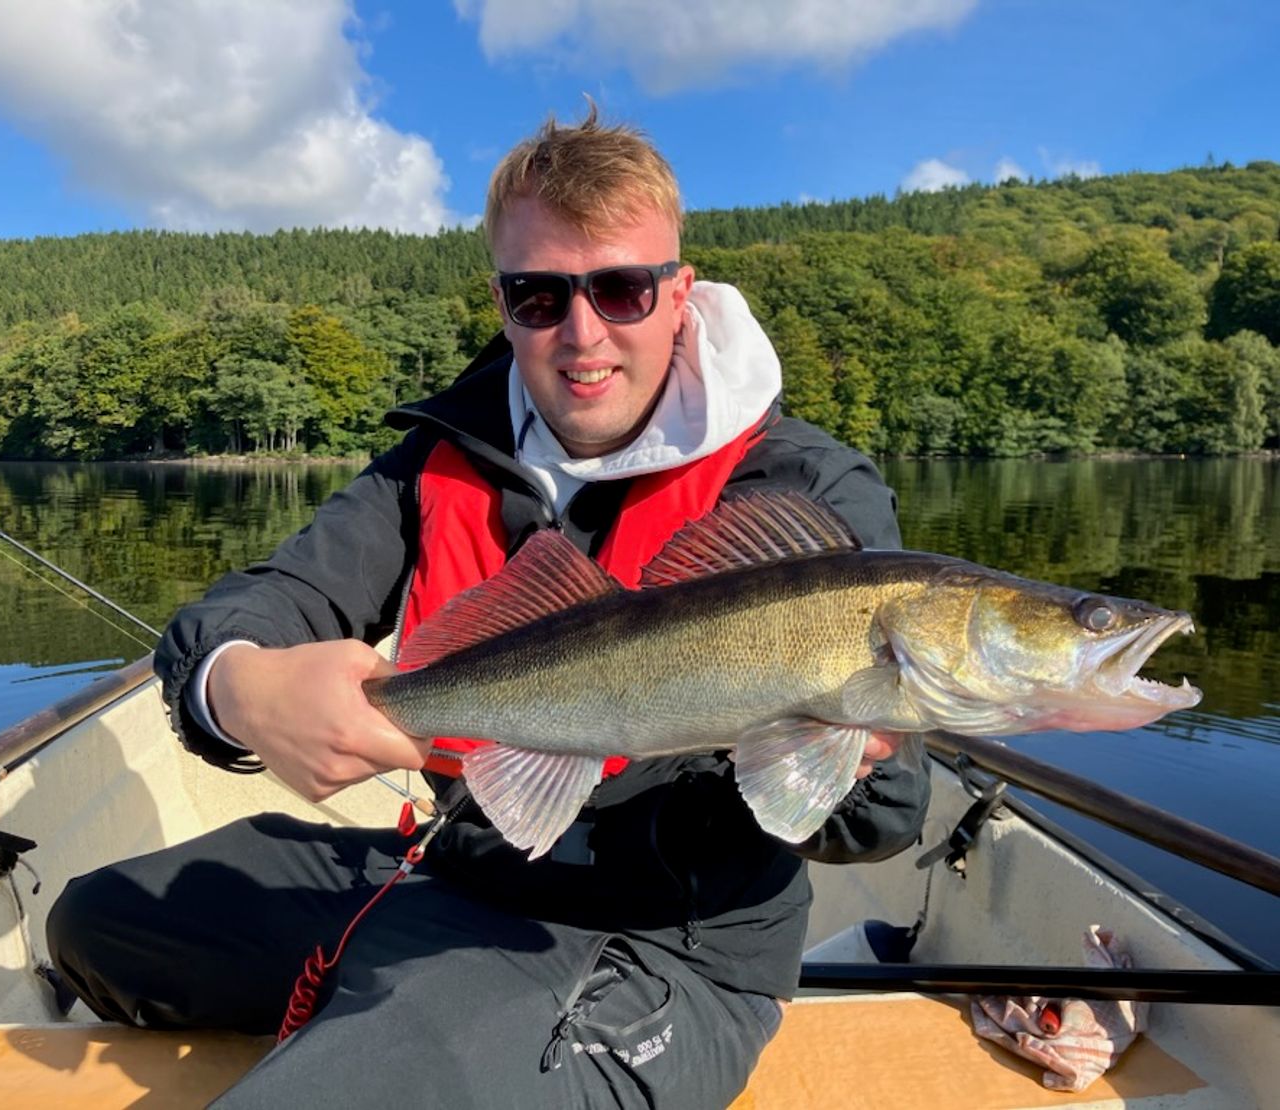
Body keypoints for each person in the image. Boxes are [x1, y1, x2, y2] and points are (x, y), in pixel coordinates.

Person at [47, 106, 929, 1108]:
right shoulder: (438, 459)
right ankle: (378, 1017)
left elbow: (886, 817)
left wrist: (830, 753)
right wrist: (237, 685)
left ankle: (391, 1038)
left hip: (665, 940)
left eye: (622, 289)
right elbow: (272, 598)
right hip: (457, 866)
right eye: (539, 295)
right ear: (503, 305)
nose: (582, 333)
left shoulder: (805, 489)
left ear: (679, 294)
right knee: (97, 923)